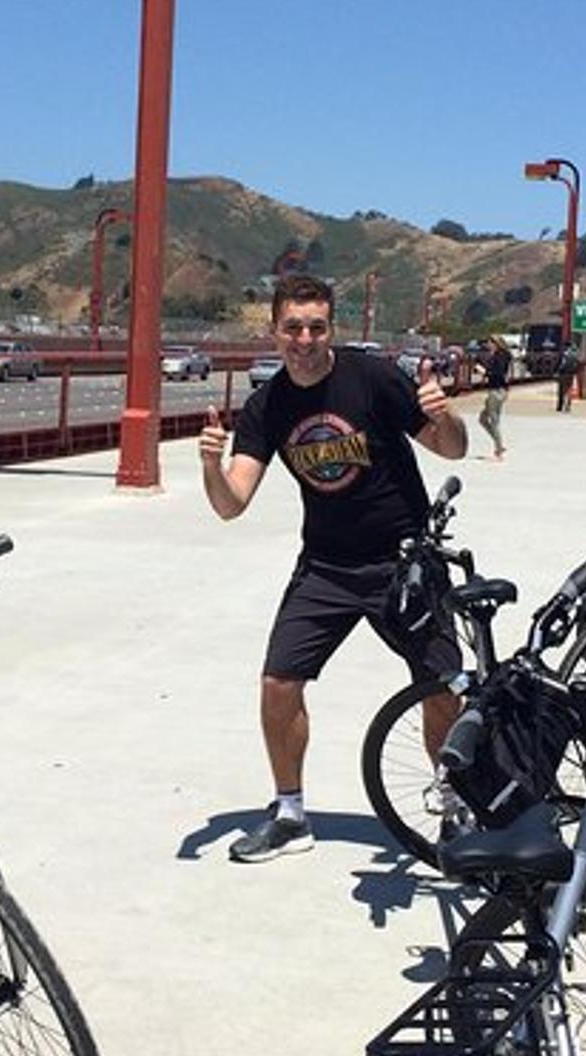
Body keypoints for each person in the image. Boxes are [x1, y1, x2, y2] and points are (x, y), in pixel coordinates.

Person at [200, 273, 469, 861]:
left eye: (316, 327)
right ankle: (291, 814)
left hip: (404, 562)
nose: (305, 338)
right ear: (274, 333)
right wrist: (210, 465)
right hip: (326, 565)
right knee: (278, 682)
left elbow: (453, 449)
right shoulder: (268, 406)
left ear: (331, 330)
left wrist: (444, 416)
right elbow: (231, 504)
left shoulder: (371, 379)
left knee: (442, 686)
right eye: (293, 328)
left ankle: (455, 809)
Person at [477, 337, 510, 460]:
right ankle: (499, 444)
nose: (488, 345)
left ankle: (499, 450)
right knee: (483, 418)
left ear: (496, 344)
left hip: (496, 391)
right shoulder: (503, 355)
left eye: (490, 342)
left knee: (493, 421)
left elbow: (498, 374)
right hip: (500, 390)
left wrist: (484, 372)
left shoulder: (499, 357)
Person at [555, 338, 582, 412]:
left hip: (563, 374)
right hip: (571, 374)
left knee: (561, 390)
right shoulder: (574, 354)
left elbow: (558, 363)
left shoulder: (562, 353)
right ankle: (568, 405)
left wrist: (556, 371)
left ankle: (560, 406)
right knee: (569, 390)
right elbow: (578, 364)